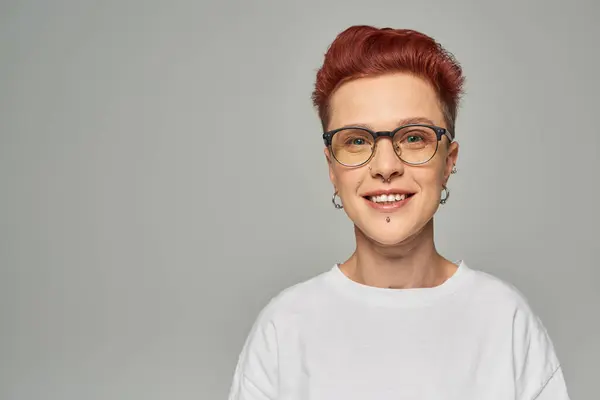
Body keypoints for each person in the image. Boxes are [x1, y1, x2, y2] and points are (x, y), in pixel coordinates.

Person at [227, 25, 570, 399]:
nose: (386, 166)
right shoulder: (284, 329)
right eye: (357, 141)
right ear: (332, 168)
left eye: (413, 137)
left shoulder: (507, 323)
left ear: (448, 162)